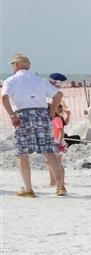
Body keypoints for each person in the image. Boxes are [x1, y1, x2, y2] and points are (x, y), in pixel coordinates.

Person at [2, 53, 66, 197]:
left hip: (23, 115)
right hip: (41, 115)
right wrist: (52, 112)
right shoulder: (40, 80)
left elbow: (4, 96)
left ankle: (28, 188)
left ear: (16, 65)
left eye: (13, 65)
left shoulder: (11, 80)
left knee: (22, 154)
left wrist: (12, 115)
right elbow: (58, 95)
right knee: (49, 151)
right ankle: (60, 185)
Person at [49, 100, 70, 185]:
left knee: (57, 161)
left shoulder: (57, 119)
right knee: (51, 161)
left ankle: (59, 181)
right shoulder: (53, 119)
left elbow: (61, 130)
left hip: (57, 140)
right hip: (54, 140)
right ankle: (54, 181)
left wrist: (59, 143)